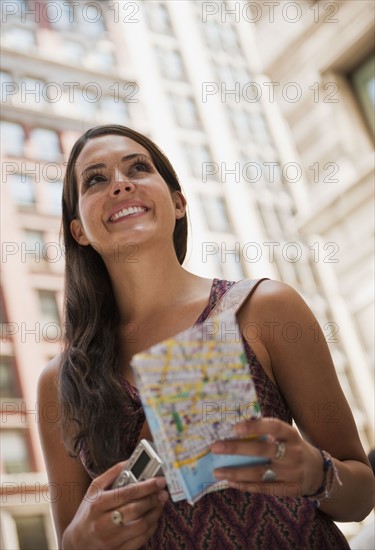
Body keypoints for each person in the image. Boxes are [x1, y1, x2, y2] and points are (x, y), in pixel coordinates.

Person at [37, 124, 374, 549]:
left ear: (178, 202)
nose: (120, 185)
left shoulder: (265, 309)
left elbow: (361, 495)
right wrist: (78, 543)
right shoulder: (62, 382)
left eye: (137, 168)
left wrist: (314, 472)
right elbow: (69, 537)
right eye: (96, 179)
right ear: (79, 230)